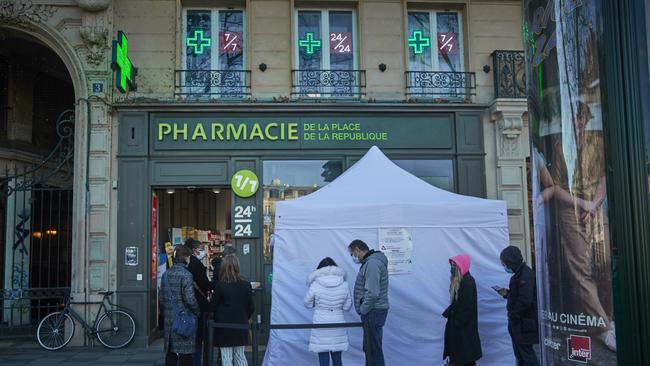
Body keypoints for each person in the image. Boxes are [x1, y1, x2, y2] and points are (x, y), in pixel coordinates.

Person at [304, 257, 353, 366]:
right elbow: (347, 306)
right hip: (338, 321)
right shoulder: (344, 284)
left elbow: (307, 303)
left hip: (321, 321)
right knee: (337, 358)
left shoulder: (315, 284)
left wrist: (316, 305)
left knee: (323, 359)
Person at [348, 239, 389, 366]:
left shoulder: (372, 264)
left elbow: (372, 292)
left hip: (373, 311)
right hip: (374, 311)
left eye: (352, 254)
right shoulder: (371, 262)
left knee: (373, 350)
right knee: (371, 348)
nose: (353, 257)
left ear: (357, 250)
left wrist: (363, 310)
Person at [498, 246, 540, 366]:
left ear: (511, 261)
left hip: (523, 324)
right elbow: (520, 295)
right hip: (520, 323)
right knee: (521, 356)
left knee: (527, 357)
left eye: (505, 264)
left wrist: (513, 316)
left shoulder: (525, 274)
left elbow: (525, 300)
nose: (504, 267)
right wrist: (508, 294)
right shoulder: (520, 274)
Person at [211, 255, 254, 366]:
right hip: (241, 325)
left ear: (223, 267)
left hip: (224, 327)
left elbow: (212, 307)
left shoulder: (220, 286)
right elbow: (251, 307)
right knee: (240, 356)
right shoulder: (246, 285)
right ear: (237, 267)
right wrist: (244, 317)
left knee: (226, 357)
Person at [161, 245, 200, 366]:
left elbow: (161, 298)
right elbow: (190, 299)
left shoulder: (166, 274)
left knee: (170, 352)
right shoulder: (186, 275)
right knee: (185, 353)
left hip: (169, 319)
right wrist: (197, 312)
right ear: (186, 258)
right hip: (184, 319)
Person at [442, 254, 481, 366]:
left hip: (463, 331)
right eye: (452, 265)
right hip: (461, 330)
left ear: (462, 265)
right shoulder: (461, 281)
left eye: (455, 265)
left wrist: (457, 322)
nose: (452, 267)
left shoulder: (467, 282)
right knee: (465, 359)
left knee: (464, 358)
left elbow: (466, 308)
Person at [183, 239, 214, 366]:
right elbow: (205, 285)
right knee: (199, 338)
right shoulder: (197, 265)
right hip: (199, 304)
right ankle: (197, 362)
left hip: (187, 304)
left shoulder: (186, 264)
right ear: (195, 250)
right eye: (200, 249)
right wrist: (217, 283)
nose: (202, 251)